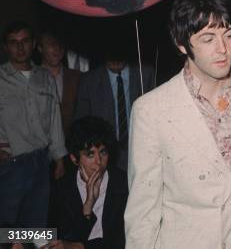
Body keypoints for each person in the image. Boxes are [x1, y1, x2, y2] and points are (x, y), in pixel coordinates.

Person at [124, 0, 231, 248]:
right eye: (208, 39)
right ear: (181, 45)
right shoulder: (151, 110)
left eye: (228, 35)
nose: (222, 49)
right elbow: (143, 212)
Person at [0, 21, 66, 228]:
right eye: (13, 42)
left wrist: (59, 158)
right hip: (10, 164)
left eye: (25, 41)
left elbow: (55, 118)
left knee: (38, 227)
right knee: (7, 228)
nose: (20, 48)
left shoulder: (45, 77)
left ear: (33, 44)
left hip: (40, 162)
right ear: (5, 47)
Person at [73, 43, 154, 171]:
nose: (115, 58)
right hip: (104, 156)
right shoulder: (89, 81)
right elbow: (81, 125)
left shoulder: (146, 74)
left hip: (142, 150)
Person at [52, 116, 128, 248]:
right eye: (90, 154)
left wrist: (82, 247)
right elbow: (63, 240)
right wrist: (87, 207)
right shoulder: (63, 188)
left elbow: (122, 240)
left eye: (103, 152)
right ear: (75, 159)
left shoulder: (122, 183)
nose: (98, 162)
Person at [38, 30, 81, 134]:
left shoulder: (78, 77)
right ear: (40, 48)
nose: (57, 48)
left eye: (60, 45)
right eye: (52, 44)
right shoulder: (30, 78)